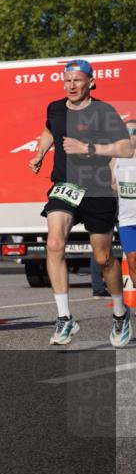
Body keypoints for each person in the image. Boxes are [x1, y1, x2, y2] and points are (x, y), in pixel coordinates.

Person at [27, 59, 133, 347]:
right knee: (54, 244)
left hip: (97, 188)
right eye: (67, 80)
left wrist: (89, 148)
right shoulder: (55, 108)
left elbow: (126, 148)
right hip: (66, 186)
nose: (71, 85)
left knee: (104, 258)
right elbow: (50, 130)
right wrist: (40, 154)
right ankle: (64, 318)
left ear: (91, 82)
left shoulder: (103, 111)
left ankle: (120, 314)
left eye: (77, 80)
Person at [109, 118, 136, 346]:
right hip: (127, 220)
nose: (131, 135)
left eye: (134, 131)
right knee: (133, 261)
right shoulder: (116, 158)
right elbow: (110, 185)